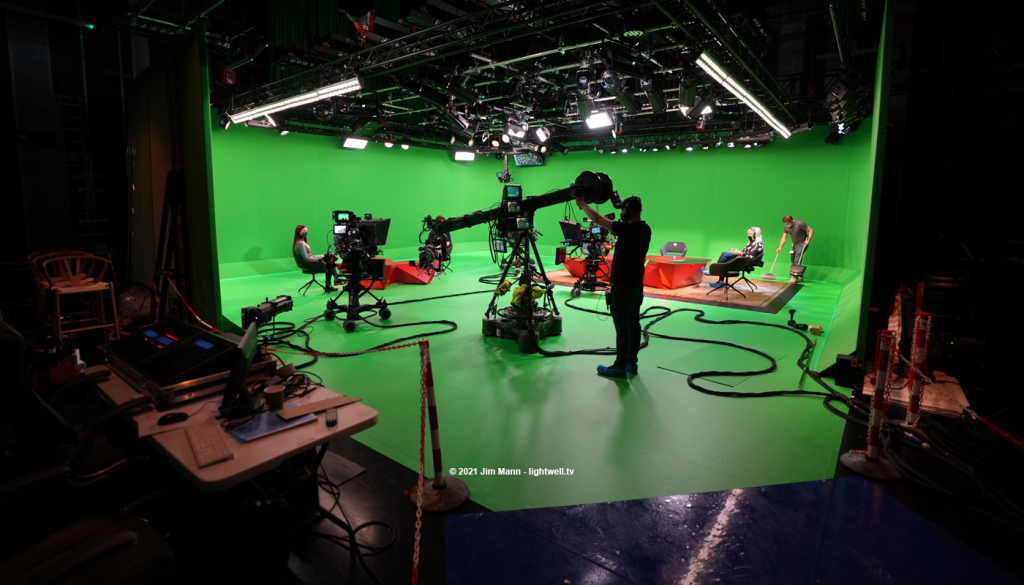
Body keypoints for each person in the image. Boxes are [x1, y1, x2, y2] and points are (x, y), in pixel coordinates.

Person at [575, 192, 652, 379]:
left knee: (622, 327)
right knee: (633, 324)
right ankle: (631, 364)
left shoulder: (626, 230)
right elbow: (627, 214)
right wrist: (618, 202)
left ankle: (619, 366)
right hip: (636, 286)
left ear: (627, 212)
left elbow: (597, 218)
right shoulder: (645, 229)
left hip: (623, 287)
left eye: (623, 211)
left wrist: (582, 203)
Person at [293, 224, 338, 292]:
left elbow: (309, 255)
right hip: (308, 264)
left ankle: (332, 283)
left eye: (306, 231)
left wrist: (318, 257)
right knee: (330, 264)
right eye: (304, 231)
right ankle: (336, 279)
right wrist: (318, 259)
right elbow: (306, 258)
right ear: (298, 232)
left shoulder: (302, 242)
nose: (306, 232)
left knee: (329, 260)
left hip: (310, 261)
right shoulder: (300, 243)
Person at [776, 215, 813, 283]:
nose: (786, 225)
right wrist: (780, 247)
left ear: (792, 221)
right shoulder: (786, 227)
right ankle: (800, 275)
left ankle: (794, 278)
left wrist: (808, 241)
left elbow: (811, 230)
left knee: (797, 259)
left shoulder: (800, 224)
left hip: (802, 244)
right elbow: (784, 237)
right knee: (793, 260)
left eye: (787, 223)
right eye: (785, 224)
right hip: (795, 244)